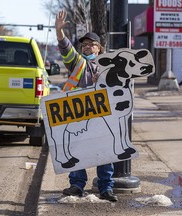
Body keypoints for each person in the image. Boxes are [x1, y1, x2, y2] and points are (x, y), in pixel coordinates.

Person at [55, 10, 118, 202]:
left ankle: (106, 188)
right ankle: (77, 185)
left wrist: (103, 82)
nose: (87, 48)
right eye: (85, 45)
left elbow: (119, 92)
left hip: (102, 118)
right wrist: (59, 32)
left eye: (92, 45)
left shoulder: (109, 67)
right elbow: (66, 49)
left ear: (99, 48)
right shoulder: (77, 63)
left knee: (105, 153)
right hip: (79, 116)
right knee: (77, 151)